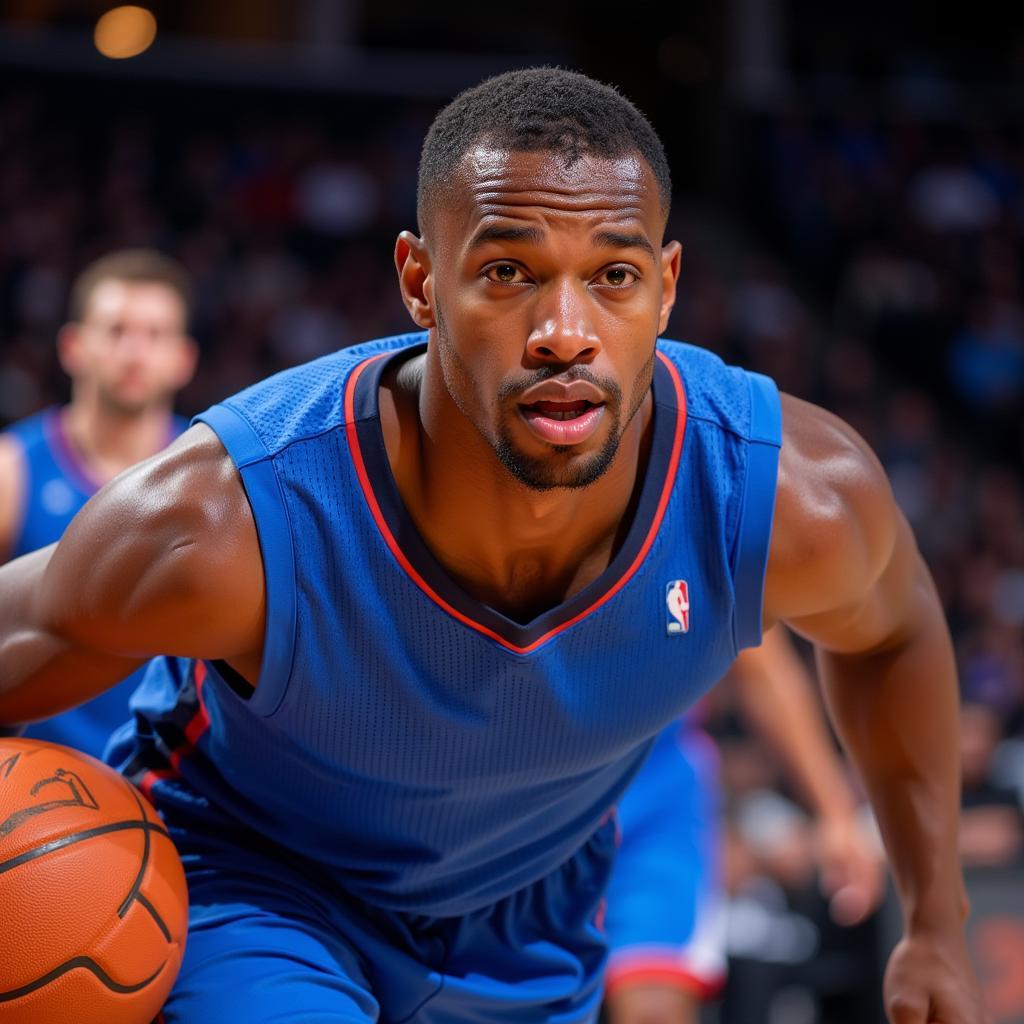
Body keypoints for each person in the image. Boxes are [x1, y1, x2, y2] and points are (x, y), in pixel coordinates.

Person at [0, 69, 987, 1023]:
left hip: (527, 927)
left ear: (667, 286)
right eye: (508, 272)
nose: (565, 331)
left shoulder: (785, 492)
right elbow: (30, 621)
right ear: (420, 282)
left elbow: (893, 633)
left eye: (613, 275)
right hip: (260, 887)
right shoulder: (234, 519)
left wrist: (934, 920)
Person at [603, 625, 884, 1024]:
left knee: (655, 1011)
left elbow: (762, 663)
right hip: (518, 793)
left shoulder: (705, 559)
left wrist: (835, 812)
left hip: (656, 791)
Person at [0, 249, 197, 756]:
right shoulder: (12, 470)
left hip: (166, 794)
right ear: (72, 346)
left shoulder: (208, 482)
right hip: (34, 795)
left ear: (184, 359)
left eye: (155, 335)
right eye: (116, 331)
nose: (135, 352)